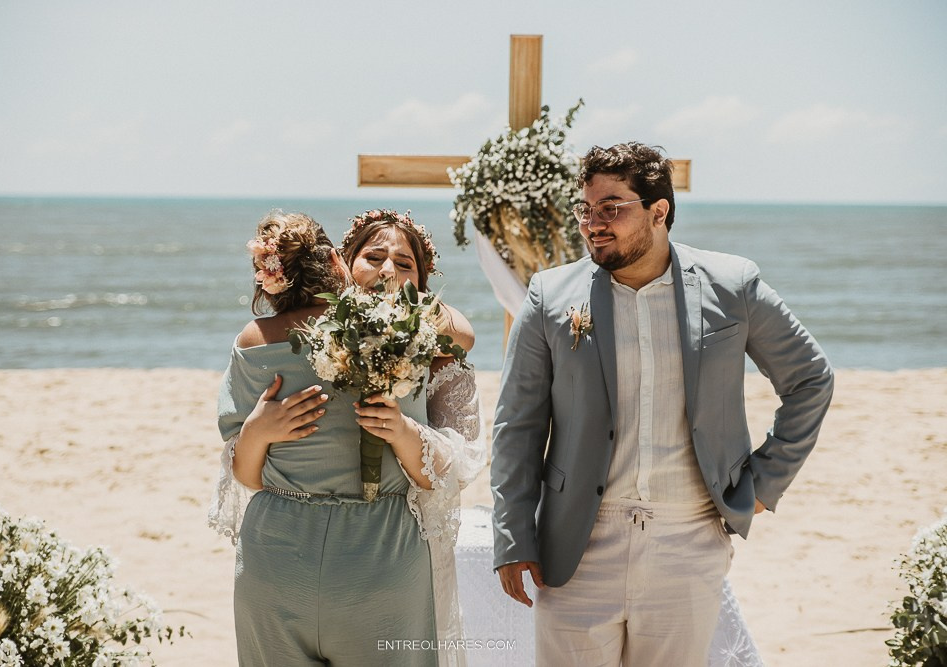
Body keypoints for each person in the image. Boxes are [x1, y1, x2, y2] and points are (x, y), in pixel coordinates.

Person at [490, 142, 834, 666]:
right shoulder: (549, 295)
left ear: (659, 211)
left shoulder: (732, 286)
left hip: (688, 542)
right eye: (585, 210)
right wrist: (514, 535)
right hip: (577, 546)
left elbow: (810, 379)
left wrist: (764, 484)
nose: (593, 224)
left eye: (612, 208)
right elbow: (518, 425)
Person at [207, 209, 485, 667]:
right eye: (373, 257)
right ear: (341, 263)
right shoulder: (273, 340)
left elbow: (450, 472)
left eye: (404, 264)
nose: (388, 270)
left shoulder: (429, 345)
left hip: (383, 554)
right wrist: (258, 431)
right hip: (277, 555)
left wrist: (402, 430)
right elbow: (245, 474)